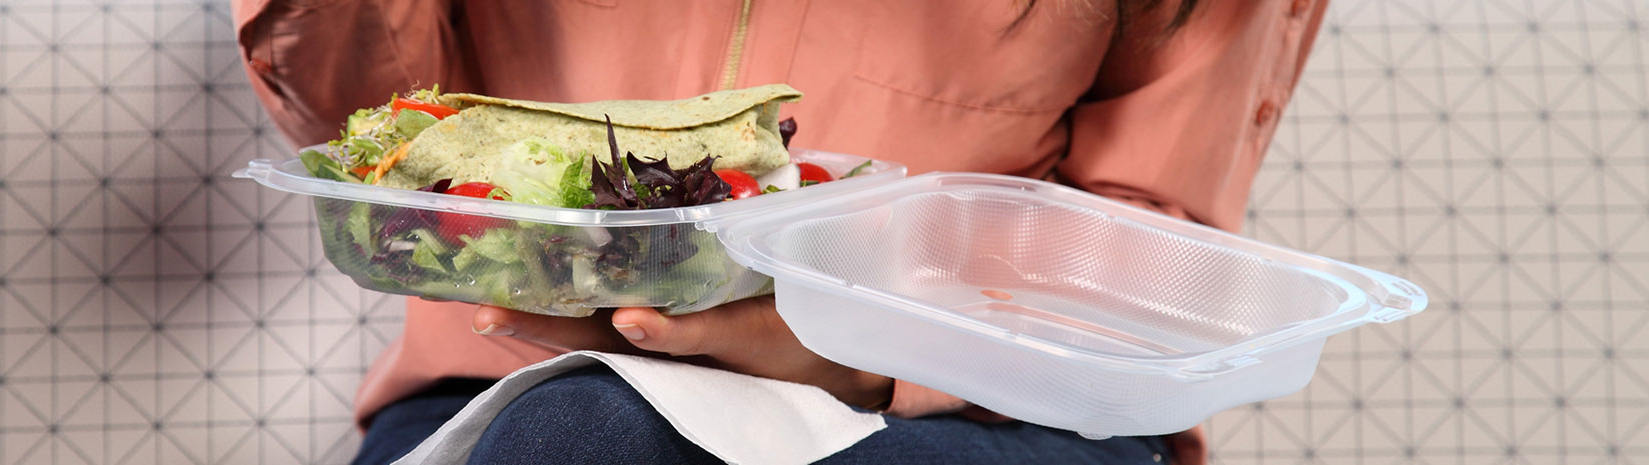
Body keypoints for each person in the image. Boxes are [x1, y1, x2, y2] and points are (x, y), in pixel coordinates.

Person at [233, 1, 1327, 463]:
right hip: (516, 371)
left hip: (993, 408)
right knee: (578, 432)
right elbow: (371, 136)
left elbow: (1141, 258)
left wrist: (848, 345)